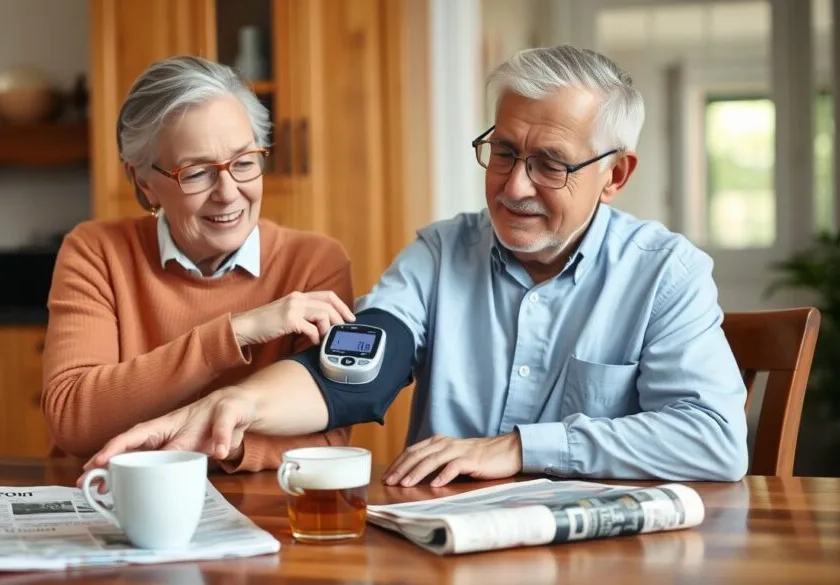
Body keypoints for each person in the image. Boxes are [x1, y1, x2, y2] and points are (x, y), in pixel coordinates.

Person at [82, 46, 749, 486]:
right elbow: (351, 372)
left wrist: (519, 447)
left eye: (549, 163)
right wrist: (234, 401)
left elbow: (715, 441)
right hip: (442, 552)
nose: (514, 186)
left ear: (615, 175)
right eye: (505, 151)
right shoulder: (437, 255)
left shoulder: (667, 274)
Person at [42, 55, 356, 472]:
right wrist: (238, 331)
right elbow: (73, 419)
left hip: (255, 507)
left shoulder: (315, 262)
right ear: (144, 182)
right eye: (196, 173)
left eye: (244, 162)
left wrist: (217, 445)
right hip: (108, 502)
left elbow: (329, 436)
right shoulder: (96, 251)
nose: (228, 192)